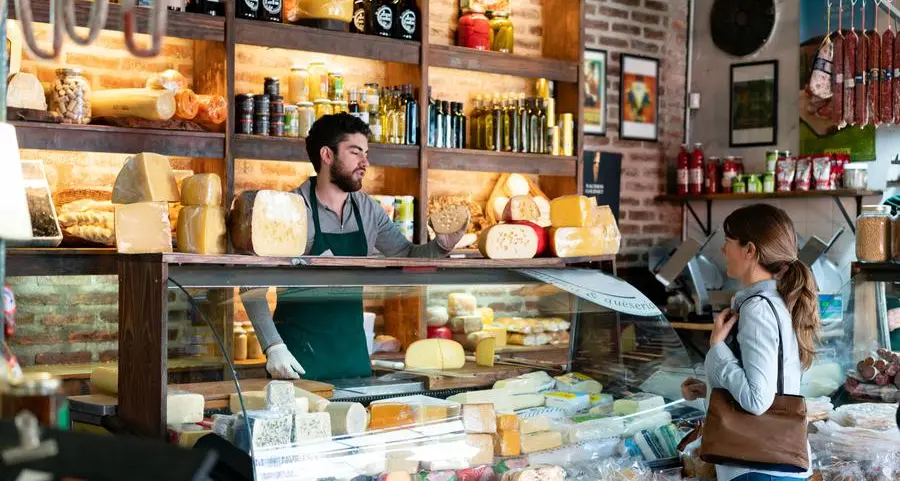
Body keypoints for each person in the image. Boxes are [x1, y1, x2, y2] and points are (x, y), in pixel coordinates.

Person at [240, 114, 467, 381]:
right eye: (355, 152)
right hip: (299, 364)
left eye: (366, 153)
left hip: (354, 360)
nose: (365, 163)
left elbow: (406, 257)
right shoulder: (290, 208)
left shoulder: (368, 209)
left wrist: (441, 245)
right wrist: (273, 347)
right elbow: (251, 285)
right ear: (327, 155)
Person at [681, 204, 820, 481]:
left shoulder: (757, 309)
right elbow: (767, 379)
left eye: (728, 242)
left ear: (750, 250)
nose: (722, 251)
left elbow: (757, 400)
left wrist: (718, 348)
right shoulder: (773, 301)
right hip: (769, 465)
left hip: (758, 469)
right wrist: (710, 386)